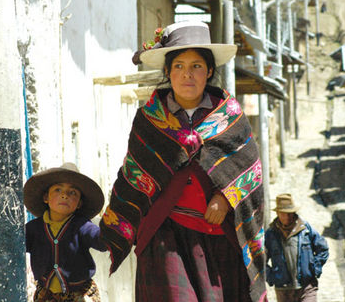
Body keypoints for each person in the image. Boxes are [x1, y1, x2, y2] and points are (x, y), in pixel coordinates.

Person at [100, 21, 265, 302]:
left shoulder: (230, 116)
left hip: (219, 237)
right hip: (165, 236)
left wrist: (226, 198)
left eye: (197, 66)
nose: (187, 74)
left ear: (210, 71)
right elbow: (134, 173)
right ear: (167, 71)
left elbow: (250, 171)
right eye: (178, 66)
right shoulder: (149, 119)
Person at [24, 162, 106, 302]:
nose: (65, 195)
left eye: (72, 192)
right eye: (57, 190)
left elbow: (101, 240)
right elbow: (14, 246)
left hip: (79, 293)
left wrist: (112, 230)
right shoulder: (33, 229)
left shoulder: (82, 226)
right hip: (46, 294)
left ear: (79, 203)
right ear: (46, 198)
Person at [265, 194, 329, 302]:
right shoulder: (271, 234)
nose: (286, 217)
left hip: (307, 286)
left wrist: (314, 269)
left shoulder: (305, 230)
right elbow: (260, 259)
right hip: (283, 289)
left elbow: (322, 249)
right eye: (283, 214)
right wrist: (271, 276)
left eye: (289, 214)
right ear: (277, 213)